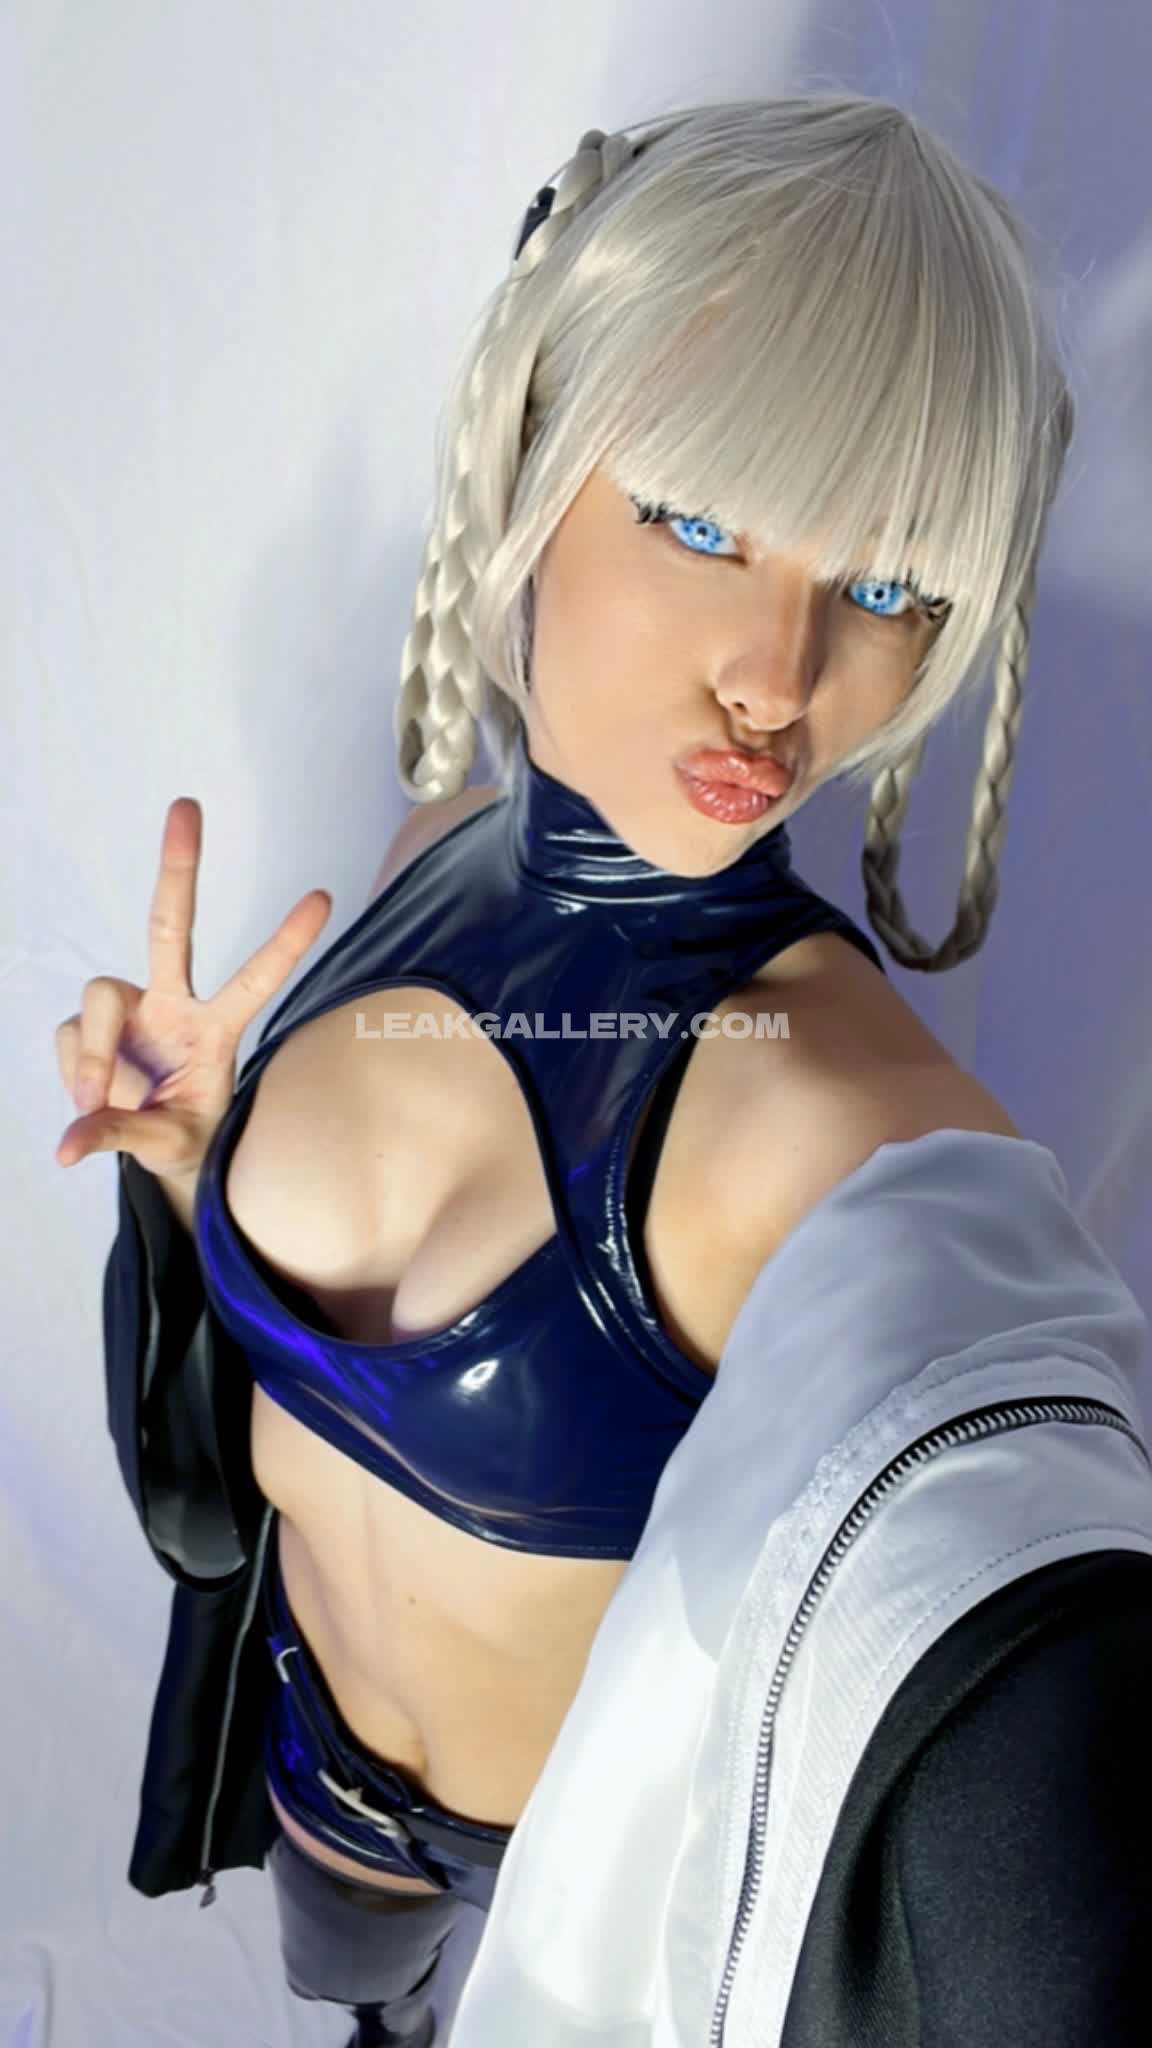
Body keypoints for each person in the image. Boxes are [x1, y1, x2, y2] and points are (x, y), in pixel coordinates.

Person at [55, 93, 1152, 2048]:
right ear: (531, 451)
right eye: (707, 522)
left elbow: (1039, 1715)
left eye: (886, 584)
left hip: (559, 1930)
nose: (781, 675)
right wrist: (198, 1161)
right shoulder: (427, 861)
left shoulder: (843, 1132)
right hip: (313, 1781)